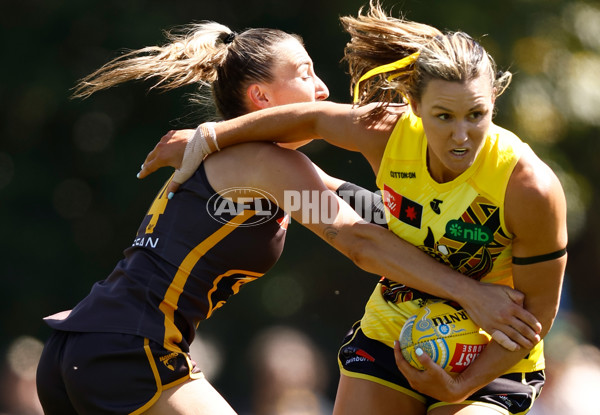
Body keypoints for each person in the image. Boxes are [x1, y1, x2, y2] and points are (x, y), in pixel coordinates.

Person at [138, 2, 568, 414]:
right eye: (443, 116)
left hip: (485, 353)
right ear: (414, 107)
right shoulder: (352, 143)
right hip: (388, 335)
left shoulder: (528, 186)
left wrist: (464, 383)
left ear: (494, 100)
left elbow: (536, 315)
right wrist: (210, 137)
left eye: (476, 114)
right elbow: (353, 222)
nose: (461, 135)